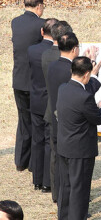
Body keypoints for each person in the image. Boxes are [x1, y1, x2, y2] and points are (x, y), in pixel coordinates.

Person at [47, 32, 101, 205]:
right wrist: (92, 73)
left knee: (62, 170)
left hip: (59, 122)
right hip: (75, 131)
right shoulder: (71, 76)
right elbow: (84, 94)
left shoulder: (53, 65)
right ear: (74, 48)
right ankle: (74, 209)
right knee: (76, 180)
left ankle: (60, 201)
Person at [56, 57, 101, 220]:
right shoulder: (84, 98)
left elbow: (87, 88)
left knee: (66, 186)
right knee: (80, 190)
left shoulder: (63, 88)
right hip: (81, 151)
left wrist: (94, 75)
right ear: (86, 75)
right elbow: (98, 118)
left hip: (65, 147)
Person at [10, 0, 46, 172]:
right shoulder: (42, 25)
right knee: (37, 121)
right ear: (39, 6)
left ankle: (20, 161)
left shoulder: (15, 22)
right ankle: (34, 162)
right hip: (36, 81)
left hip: (18, 79)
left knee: (23, 121)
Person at [42, 20, 72, 203]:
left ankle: (56, 193)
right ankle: (65, 193)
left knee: (54, 154)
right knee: (66, 158)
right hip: (65, 114)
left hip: (50, 109)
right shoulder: (68, 64)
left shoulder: (46, 55)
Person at [27, 18, 58, 193]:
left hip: (36, 99)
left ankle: (37, 180)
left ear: (41, 31)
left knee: (36, 140)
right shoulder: (57, 53)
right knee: (49, 142)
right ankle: (47, 182)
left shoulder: (32, 50)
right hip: (50, 102)